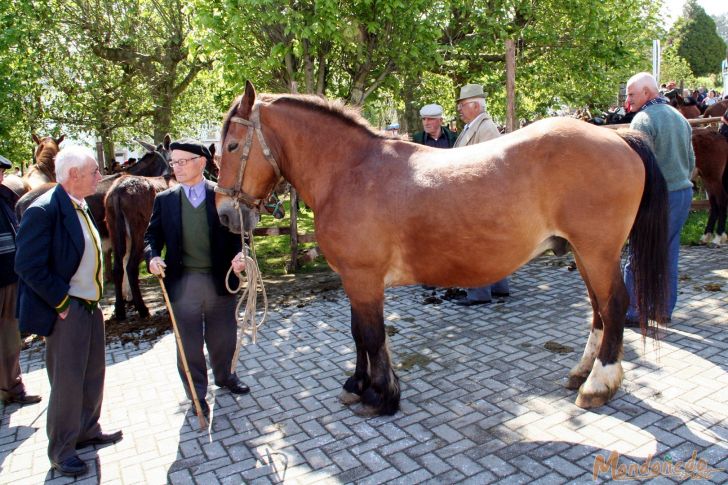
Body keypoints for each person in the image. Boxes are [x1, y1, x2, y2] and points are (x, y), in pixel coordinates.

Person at [14, 146, 122, 477]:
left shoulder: (80, 205)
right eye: (93, 172)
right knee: (67, 383)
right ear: (73, 175)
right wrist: (61, 302)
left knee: (92, 374)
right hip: (68, 311)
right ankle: (62, 451)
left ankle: (87, 431)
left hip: (89, 307)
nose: (99, 177)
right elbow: (27, 265)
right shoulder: (44, 211)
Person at [144, 138, 249, 419]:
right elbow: (151, 237)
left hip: (219, 283)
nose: (175, 167)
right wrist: (152, 256)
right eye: (173, 162)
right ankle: (196, 394)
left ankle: (225, 376)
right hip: (182, 286)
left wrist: (241, 256)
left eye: (181, 161)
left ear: (200, 163)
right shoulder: (165, 200)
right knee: (188, 344)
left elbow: (240, 236)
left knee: (223, 339)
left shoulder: (221, 196)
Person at [623, 72, 695, 327]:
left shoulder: (643, 120)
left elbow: (637, 167)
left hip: (657, 197)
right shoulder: (679, 117)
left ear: (646, 92)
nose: (628, 99)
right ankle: (663, 310)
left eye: (631, 94)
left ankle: (632, 310)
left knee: (640, 254)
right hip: (682, 193)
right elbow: (692, 161)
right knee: (669, 253)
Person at [451, 84, 510, 306]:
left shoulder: (485, 129)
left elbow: (491, 166)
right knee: (488, 243)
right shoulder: (472, 127)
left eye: (463, 105)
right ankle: (498, 287)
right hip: (473, 194)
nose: (460, 109)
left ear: (476, 105)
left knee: (476, 244)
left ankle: (479, 293)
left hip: (478, 196)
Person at [0, 155, 41, 408]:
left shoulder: (4, 199)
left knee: (9, 338)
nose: (2, 176)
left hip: (8, 278)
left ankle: (12, 388)